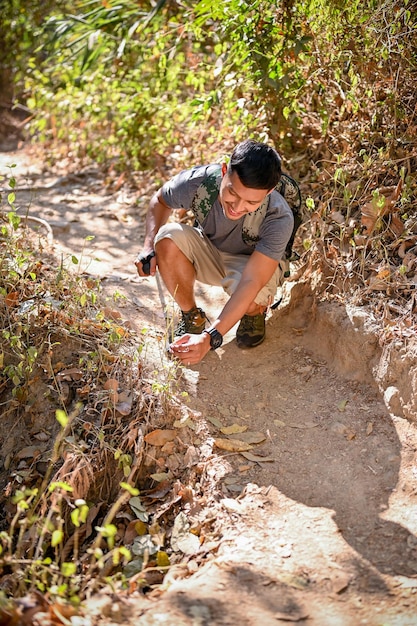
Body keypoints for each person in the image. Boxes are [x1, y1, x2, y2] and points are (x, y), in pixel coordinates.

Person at [135, 139, 294, 366]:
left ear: (268, 192)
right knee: (167, 236)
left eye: (251, 202)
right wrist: (148, 246)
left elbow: (252, 280)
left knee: (251, 297)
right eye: (232, 192)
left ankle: (253, 313)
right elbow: (160, 201)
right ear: (224, 171)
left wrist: (210, 338)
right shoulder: (199, 182)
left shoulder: (278, 217)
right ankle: (192, 317)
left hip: (251, 266)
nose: (237, 207)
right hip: (209, 252)